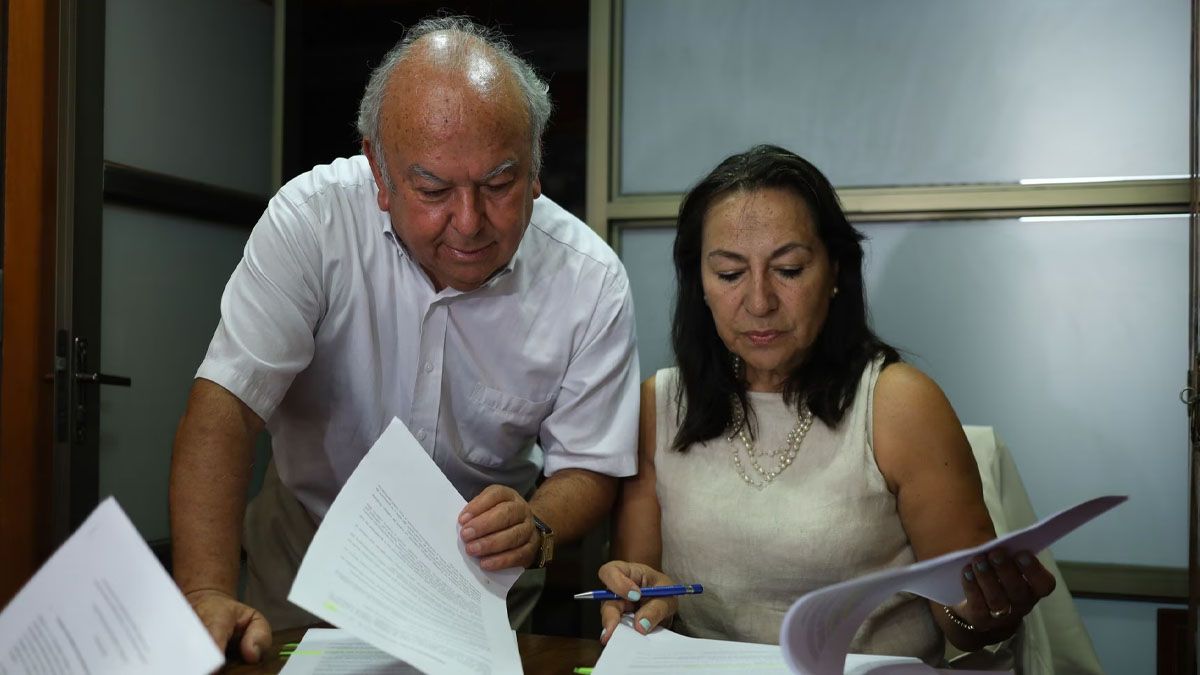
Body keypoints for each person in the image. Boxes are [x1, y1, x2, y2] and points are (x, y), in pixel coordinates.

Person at [169, 17, 639, 664]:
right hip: (308, 551)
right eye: (434, 189)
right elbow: (225, 407)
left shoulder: (589, 279)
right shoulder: (312, 224)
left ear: (535, 167)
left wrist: (536, 523)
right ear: (379, 173)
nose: (469, 222)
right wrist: (204, 588)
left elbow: (589, 463)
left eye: (499, 183)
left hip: (481, 574)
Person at [597, 145, 1055, 663]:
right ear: (699, 285)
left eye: (789, 269)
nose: (760, 301)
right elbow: (643, 596)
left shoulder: (897, 403)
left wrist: (984, 610)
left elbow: (964, 627)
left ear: (836, 271)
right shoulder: (660, 407)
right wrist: (640, 600)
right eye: (729, 274)